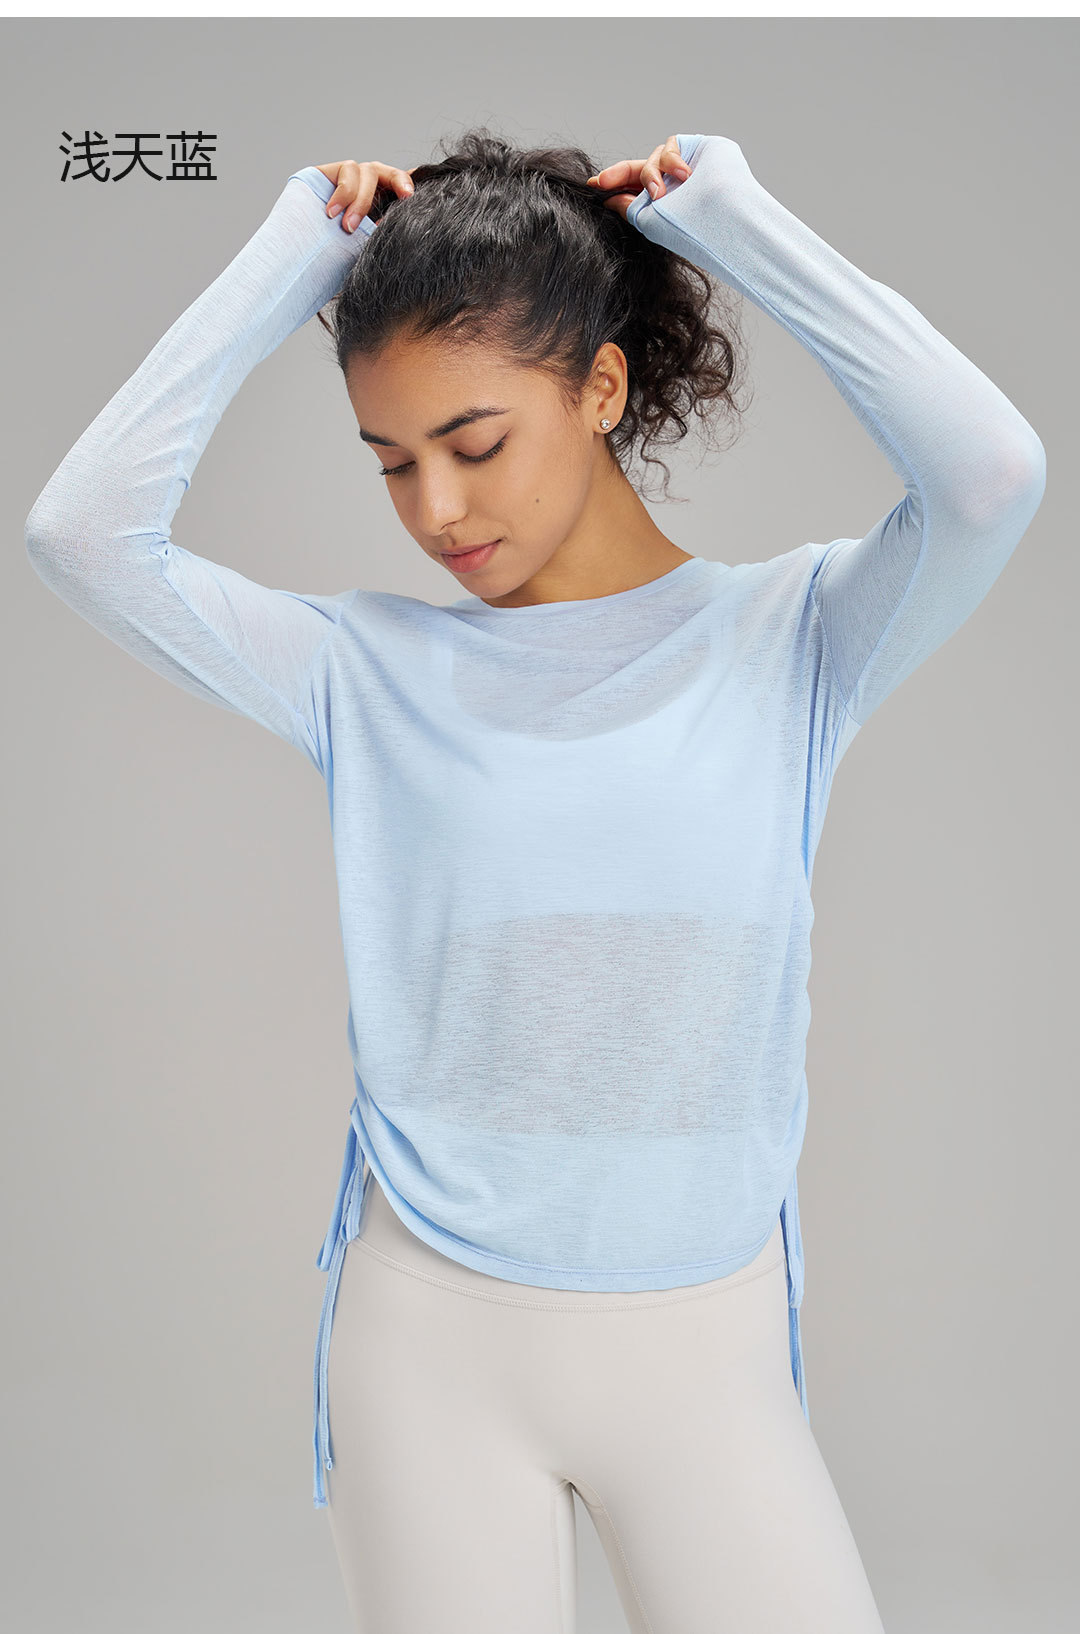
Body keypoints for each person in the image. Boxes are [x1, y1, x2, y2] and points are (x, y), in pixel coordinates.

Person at [24, 127, 1045, 1633]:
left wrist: (732, 222)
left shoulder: (797, 640)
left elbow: (991, 474)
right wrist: (295, 255)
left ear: (602, 389)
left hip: (705, 1343)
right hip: (431, 1340)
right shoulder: (362, 670)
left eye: (475, 442)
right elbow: (80, 531)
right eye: (392, 462)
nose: (436, 509)